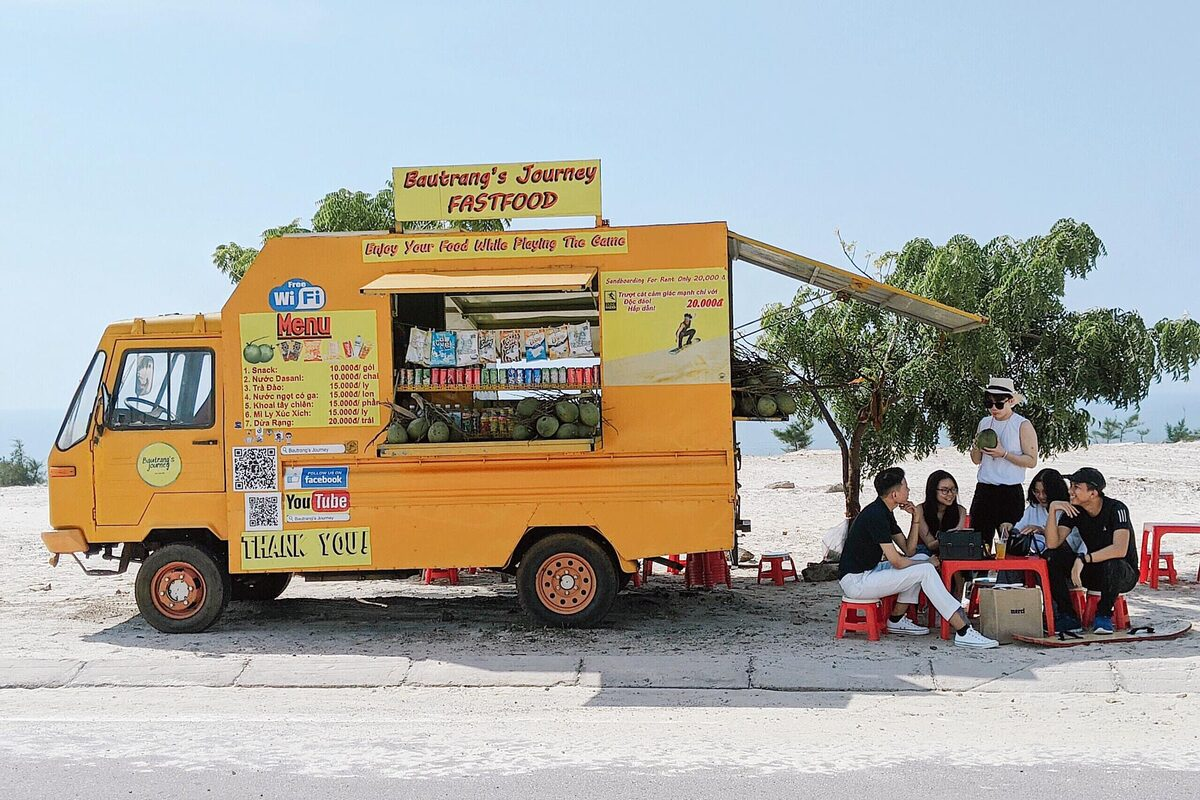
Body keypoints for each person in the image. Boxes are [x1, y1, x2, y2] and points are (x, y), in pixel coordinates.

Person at [838, 467, 999, 649]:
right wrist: (926, 563)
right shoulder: (876, 516)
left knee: (922, 558)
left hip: (868, 572)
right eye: (905, 487)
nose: (908, 491)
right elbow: (897, 561)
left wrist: (916, 517)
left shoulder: (883, 512)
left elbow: (909, 551)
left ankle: (896, 619)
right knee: (925, 569)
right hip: (857, 582)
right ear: (895, 494)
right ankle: (962, 629)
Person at [1044, 467, 1138, 634]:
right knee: (1051, 556)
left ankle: (1103, 615)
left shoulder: (1117, 509)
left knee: (1113, 563)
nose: (1070, 491)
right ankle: (1068, 616)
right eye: (1071, 486)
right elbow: (1053, 544)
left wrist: (1083, 559)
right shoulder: (1075, 510)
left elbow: (1119, 549)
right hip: (1093, 572)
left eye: (1076, 487)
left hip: (1122, 574)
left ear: (1093, 493)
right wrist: (1053, 510)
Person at [969, 376, 1038, 551]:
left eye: (999, 404)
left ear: (1011, 401)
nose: (993, 408)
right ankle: (977, 578)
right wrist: (977, 444)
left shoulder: (1022, 424)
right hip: (984, 489)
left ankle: (1011, 579)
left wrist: (1004, 454)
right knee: (979, 543)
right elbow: (976, 459)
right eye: (989, 404)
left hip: (1010, 491)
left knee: (1010, 546)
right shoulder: (984, 423)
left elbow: (1031, 460)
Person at [909, 470, 967, 556]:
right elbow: (930, 544)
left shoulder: (961, 510)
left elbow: (957, 541)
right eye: (944, 490)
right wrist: (950, 537)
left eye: (953, 489)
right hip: (924, 553)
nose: (950, 494)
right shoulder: (920, 509)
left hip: (951, 553)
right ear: (933, 491)